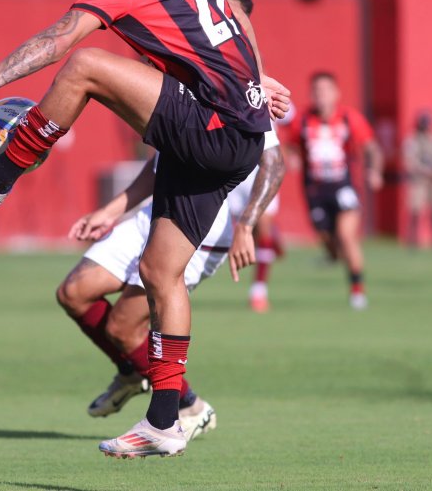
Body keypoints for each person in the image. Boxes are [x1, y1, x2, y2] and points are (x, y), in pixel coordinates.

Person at [0, 0, 290, 458]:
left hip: (214, 128)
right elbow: (228, 18)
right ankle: (168, 419)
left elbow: (57, 41)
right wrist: (251, 80)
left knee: (86, 64)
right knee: (160, 273)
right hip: (235, 138)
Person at [57, 131, 284, 440]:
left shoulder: (238, 85)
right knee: (73, 293)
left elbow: (274, 162)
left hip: (199, 226)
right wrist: (111, 210)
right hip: (154, 213)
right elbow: (160, 159)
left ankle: (189, 405)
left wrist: (246, 224)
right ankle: (131, 372)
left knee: (121, 329)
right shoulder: (171, 82)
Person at [214, 0, 287, 313]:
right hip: (223, 166)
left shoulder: (254, 75)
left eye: (234, 13)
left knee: (263, 226)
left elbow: (283, 114)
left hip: (258, 162)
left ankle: (259, 289)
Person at [286, 72, 383, 310]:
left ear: (336, 93)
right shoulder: (304, 120)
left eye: (326, 90)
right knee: (326, 239)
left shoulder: (349, 118)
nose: (321, 96)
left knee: (346, 236)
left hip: (343, 186)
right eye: (316, 91)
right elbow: (289, 145)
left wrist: (375, 171)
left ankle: (357, 289)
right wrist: (292, 158)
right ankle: (334, 255)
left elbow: (372, 148)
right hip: (315, 190)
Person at [402, 111, 432, 249]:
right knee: (415, 210)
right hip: (419, 180)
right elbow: (410, 161)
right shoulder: (412, 140)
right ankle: (413, 240)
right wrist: (424, 171)